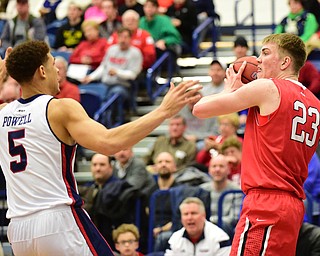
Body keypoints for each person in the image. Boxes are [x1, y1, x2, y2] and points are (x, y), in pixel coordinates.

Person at [0, 40, 201, 255]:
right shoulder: (60, 108)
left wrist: (5, 73)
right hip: (57, 220)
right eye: (52, 64)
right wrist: (163, 111)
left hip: (19, 230)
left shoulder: (3, 113)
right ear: (41, 71)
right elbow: (109, 143)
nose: (57, 69)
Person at [193, 33, 320, 255]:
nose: (258, 59)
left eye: (265, 52)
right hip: (293, 206)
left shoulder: (267, 88)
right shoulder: (315, 103)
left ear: (285, 62)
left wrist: (230, 89)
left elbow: (200, 109)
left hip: (266, 203)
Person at [164, 197, 231, 256]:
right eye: (186, 214)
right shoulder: (174, 239)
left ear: (204, 216)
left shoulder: (220, 238)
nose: (189, 218)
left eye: (193, 213)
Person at [200, 154, 242, 238]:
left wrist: (211, 221)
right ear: (209, 170)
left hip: (226, 230)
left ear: (228, 170)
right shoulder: (201, 189)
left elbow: (234, 218)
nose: (217, 169)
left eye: (221, 166)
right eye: (214, 166)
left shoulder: (237, 190)